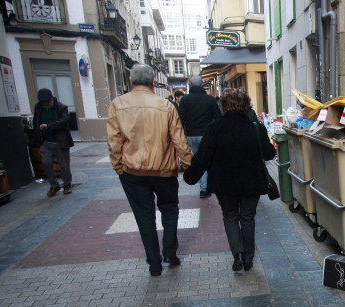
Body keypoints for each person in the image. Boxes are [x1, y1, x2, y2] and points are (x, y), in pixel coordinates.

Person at [107, 64, 193, 277]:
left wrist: (119, 167)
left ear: (130, 81)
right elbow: (179, 140)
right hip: (163, 170)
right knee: (170, 209)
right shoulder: (166, 106)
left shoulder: (118, 105)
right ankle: (170, 253)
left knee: (144, 216)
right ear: (153, 82)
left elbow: (114, 141)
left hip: (133, 172)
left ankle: (154, 263)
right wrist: (189, 165)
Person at [183, 88, 276, 272]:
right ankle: (249, 258)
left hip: (223, 184)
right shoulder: (255, 128)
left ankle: (238, 254)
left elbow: (203, 157)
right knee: (248, 217)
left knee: (230, 216)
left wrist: (190, 176)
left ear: (224, 106)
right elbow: (269, 153)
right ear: (246, 106)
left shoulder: (214, 128)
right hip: (251, 182)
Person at [178, 75, 222, 198]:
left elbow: (180, 119)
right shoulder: (209, 99)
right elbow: (218, 118)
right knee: (208, 160)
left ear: (190, 85)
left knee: (198, 160)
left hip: (191, 135)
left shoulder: (185, 100)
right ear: (202, 84)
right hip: (207, 135)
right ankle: (206, 187)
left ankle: (204, 188)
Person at [33, 88, 74, 196]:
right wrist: (38, 139)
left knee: (64, 165)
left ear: (51, 98)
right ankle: (54, 185)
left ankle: (67, 185)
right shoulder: (38, 108)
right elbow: (36, 121)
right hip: (46, 142)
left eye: (47, 102)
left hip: (60, 141)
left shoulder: (61, 107)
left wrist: (48, 126)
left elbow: (64, 121)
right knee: (46, 163)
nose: (45, 104)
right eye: (43, 102)